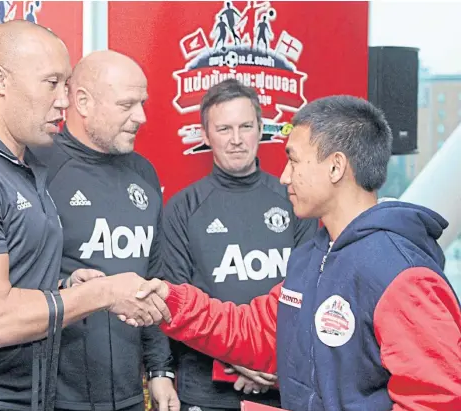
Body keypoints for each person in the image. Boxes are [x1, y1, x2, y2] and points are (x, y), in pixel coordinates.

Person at [0, 21, 170, 411]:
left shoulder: (22, 169)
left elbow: (12, 280)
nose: (64, 100)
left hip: (28, 395)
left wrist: (65, 285)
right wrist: (103, 293)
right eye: (52, 83)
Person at [134, 95, 461, 411]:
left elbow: (437, 400)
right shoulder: (312, 257)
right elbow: (257, 332)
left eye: (294, 160)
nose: (284, 176)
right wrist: (169, 300)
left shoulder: (402, 274)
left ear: (335, 168)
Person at [31, 50, 180, 411]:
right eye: (127, 104)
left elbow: (153, 279)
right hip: (54, 397)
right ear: (82, 101)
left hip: (129, 395)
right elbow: (10, 289)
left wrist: (161, 370)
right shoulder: (36, 168)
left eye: (142, 103)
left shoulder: (144, 173)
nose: (141, 117)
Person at [161, 79, 318, 411]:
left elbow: (308, 294)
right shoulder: (182, 208)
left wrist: (266, 359)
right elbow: (174, 303)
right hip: (208, 391)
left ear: (261, 128)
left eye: (246, 126)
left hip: (279, 385)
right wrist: (239, 356)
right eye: (223, 129)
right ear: (205, 135)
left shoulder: (297, 201)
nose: (236, 140)